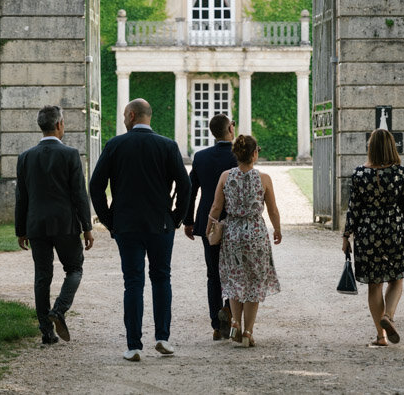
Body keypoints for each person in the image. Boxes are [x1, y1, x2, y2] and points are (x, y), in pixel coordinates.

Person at [89, 98, 191, 362]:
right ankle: (163, 338)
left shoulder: (115, 145)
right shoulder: (168, 146)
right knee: (161, 278)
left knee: (133, 282)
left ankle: (134, 344)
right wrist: (176, 218)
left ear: (132, 115)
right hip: (160, 224)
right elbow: (185, 185)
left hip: (127, 225)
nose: (124, 119)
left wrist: (110, 220)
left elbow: (96, 186)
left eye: (125, 115)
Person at [15, 105, 95, 345]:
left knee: (42, 276)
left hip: (36, 224)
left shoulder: (25, 157)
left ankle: (46, 331)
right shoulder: (70, 154)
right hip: (65, 224)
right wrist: (87, 227)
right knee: (74, 269)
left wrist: (21, 230)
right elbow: (79, 194)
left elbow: (22, 197)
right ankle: (59, 309)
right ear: (60, 124)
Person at [341, 128, 404, 347]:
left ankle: (380, 336)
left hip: (367, 233)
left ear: (371, 147)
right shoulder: (400, 173)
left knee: (374, 285)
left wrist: (346, 236)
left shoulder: (359, 174)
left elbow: (353, 208)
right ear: (392, 147)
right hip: (394, 230)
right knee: (396, 278)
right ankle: (389, 316)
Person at [208, 133, 281, 348]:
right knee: (254, 281)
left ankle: (234, 323)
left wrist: (209, 226)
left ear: (236, 155)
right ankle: (248, 331)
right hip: (255, 233)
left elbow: (216, 207)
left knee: (234, 279)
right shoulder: (264, 179)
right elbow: (273, 210)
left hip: (232, 232)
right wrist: (277, 230)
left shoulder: (225, 176)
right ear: (255, 154)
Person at [183, 114, 238, 341]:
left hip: (209, 222)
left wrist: (188, 220)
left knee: (213, 273)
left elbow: (191, 189)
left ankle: (216, 324)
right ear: (231, 129)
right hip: (235, 221)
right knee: (234, 271)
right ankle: (228, 311)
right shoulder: (239, 156)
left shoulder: (201, 157)